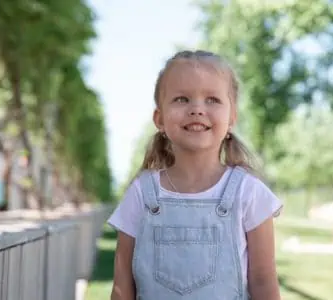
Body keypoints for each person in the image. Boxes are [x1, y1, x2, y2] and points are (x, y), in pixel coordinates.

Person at [107, 50, 283, 300]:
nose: (197, 109)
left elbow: (264, 281)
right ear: (160, 119)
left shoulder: (250, 193)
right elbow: (122, 286)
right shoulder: (141, 194)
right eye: (181, 99)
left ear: (232, 117)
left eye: (212, 99)